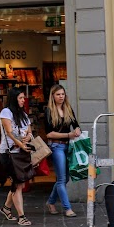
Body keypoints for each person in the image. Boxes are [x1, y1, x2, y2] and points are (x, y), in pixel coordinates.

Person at [0, 86, 33, 226]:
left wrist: (27, 139)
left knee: (18, 183)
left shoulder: (23, 114)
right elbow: (9, 132)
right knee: (18, 185)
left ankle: (6, 208)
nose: (23, 100)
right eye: (20, 98)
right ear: (14, 98)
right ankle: (21, 216)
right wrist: (21, 143)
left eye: (23, 98)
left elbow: (30, 131)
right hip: (9, 153)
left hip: (21, 153)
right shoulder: (6, 112)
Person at [45, 84, 82, 217]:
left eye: (62, 94)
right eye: (58, 94)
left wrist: (77, 131)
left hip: (69, 146)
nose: (61, 96)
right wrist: (68, 135)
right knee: (61, 179)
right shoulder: (49, 111)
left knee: (66, 178)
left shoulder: (68, 108)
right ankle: (67, 208)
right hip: (56, 147)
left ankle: (51, 202)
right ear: (53, 96)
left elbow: (76, 126)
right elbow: (49, 134)